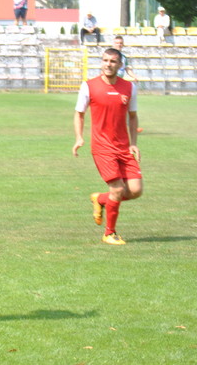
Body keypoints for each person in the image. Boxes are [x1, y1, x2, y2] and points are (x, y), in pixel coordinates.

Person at [72, 48, 141, 246]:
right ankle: (109, 233)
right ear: (101, 62)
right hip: (102, 147)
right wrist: (79, 138)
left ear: (120, 65)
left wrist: (134, 143)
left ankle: (101, 199)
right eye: (105, 60)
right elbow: (79, 113)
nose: (108, 64)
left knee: (135, 190)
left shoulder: (129, 88)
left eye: (113, 61)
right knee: (118, 189)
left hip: (124, 147)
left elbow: (133, 116)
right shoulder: (89, 86)